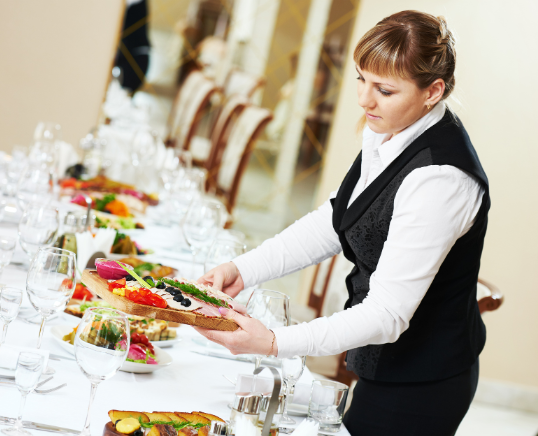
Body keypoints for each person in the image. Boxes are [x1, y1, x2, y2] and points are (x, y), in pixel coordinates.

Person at [195, 10, 488, 436]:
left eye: (384, 89)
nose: (364, 100)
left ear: (433, 91)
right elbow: (337, 220)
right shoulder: (391, 130)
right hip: (380, 361)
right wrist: (244, 269)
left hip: (421, 382)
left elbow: (387, 314)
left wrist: (275, 342)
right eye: (361, 79)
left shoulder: (440, 178)